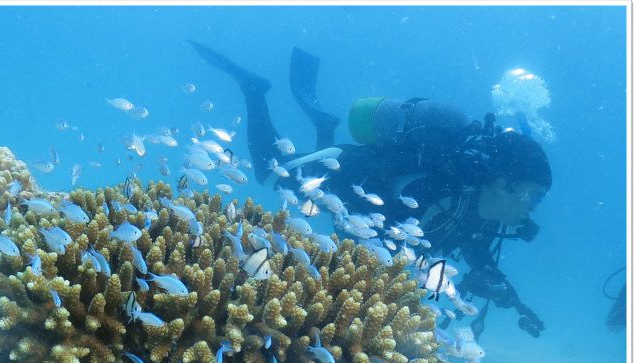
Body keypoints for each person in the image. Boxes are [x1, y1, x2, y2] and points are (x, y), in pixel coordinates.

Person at [190, 41, 553, 339]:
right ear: (504, 185)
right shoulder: (444, 183)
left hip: (349, 208)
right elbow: (382, 232)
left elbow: (472, 245)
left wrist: (504, 290)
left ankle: (322, 123)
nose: (532, 209)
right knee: (268, 171)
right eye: (532, 196)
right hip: (347, 171)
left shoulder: (481, 207)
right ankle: (254, 89)